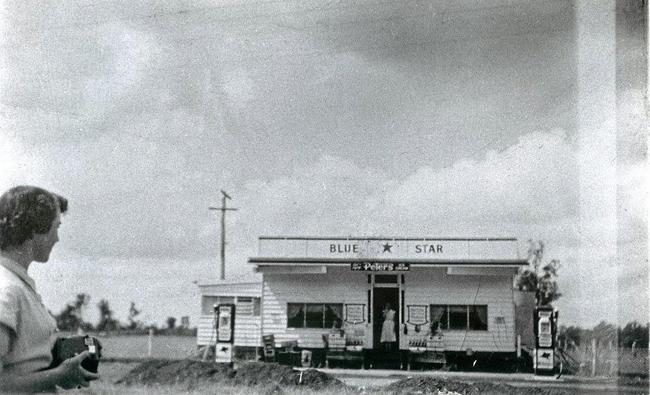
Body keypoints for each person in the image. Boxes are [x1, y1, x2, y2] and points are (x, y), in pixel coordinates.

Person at [0, 186, 99, 392]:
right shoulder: (7, 291)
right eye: (56, 227)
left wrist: (57, 362)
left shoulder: (18, 285)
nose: (57, 238)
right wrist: (58, 374)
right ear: (36, 229)